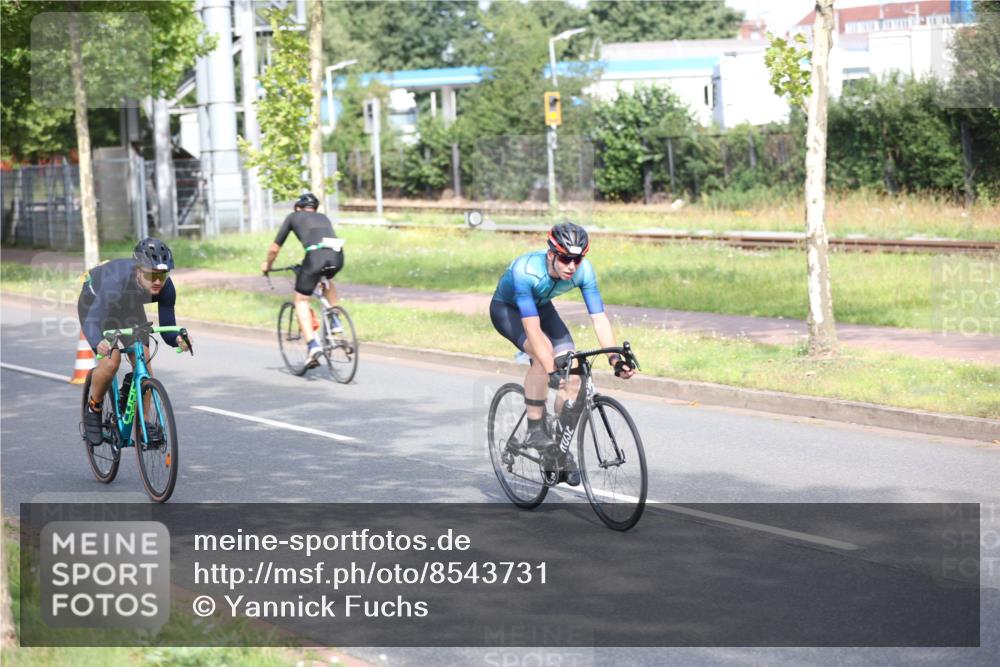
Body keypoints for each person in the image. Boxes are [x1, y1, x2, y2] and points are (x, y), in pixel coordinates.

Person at [490, 221, 636, 486]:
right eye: (566, 258)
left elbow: (599, 317)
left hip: (543, 306)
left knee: (574, 369)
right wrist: (549, 370)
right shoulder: (526, 271)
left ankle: (556, 443)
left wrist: (614, 359)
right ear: (551, 255)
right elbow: (532, 329)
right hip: (508, 310)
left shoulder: (584, 271)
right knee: (542, 353)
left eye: (578, 259)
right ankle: (535, 429)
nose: (572, 266)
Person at [79, 237, 192, 446]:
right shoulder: (115, 282)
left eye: (163, 274)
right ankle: (93, 408)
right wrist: (99, 342)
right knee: (111, 361)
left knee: (145, 362)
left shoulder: (165, 287)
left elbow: (167, 325)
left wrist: (177, 339)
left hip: (129, 308)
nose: (158, 281)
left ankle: (143, 425)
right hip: (96, 306)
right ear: (138, 271)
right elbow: (93, 321)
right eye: (151, 275)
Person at [261, 192, 345, 369]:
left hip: (315, 257)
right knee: (326, 279)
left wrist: (267, 265)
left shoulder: (293, 217)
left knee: (301, 300)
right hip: (337, 255)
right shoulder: (323, 217)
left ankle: (313, 346)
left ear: (298, 207)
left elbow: (275, 249)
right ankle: (336, 320)